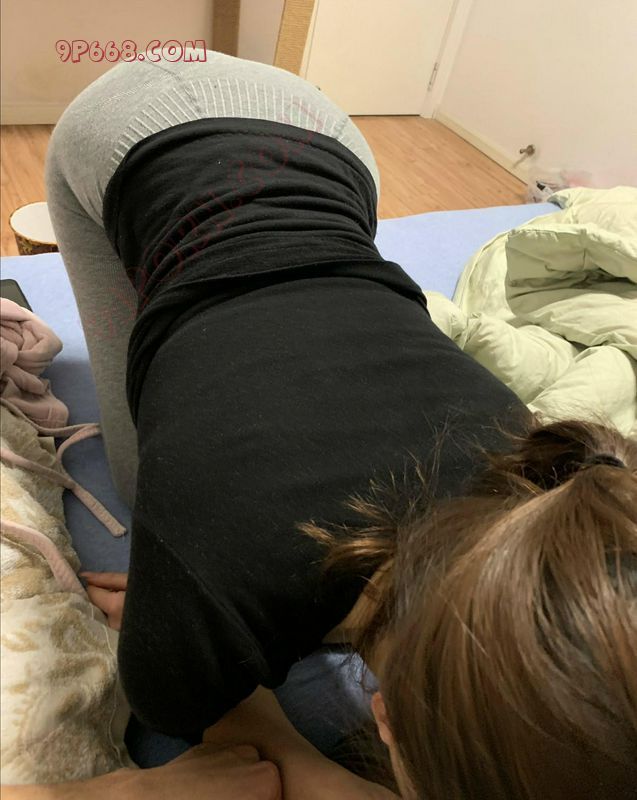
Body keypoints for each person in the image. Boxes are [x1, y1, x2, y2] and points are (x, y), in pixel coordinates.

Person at [38, 46, 637, 799]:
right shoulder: (210, 606)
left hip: (325, 134)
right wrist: (308, 763)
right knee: (134, 476)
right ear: (382, 717)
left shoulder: (547, 476)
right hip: (132, 126)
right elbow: (226, 720)